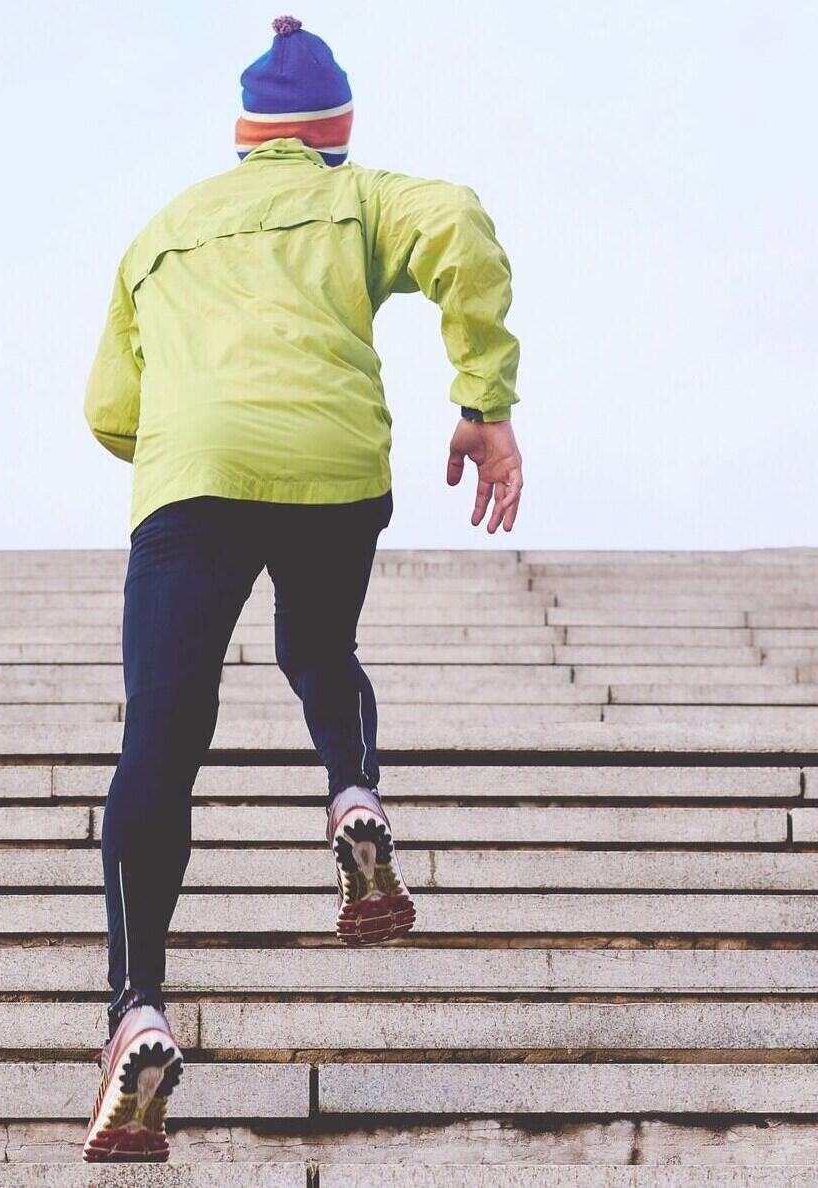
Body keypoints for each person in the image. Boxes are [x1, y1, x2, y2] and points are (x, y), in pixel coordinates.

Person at [80, 15, 523, 1163]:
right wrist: (483, 399)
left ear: (243, 135)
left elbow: (108, 410)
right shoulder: (360, 194)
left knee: (162, 738)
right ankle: (353, 796)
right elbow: (460, 224)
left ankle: (136, 1005)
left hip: (193, 481)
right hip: (332, 465)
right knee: (318, 651)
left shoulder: (160, 231)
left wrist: (196, 434)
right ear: (336, 132)